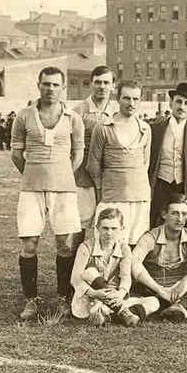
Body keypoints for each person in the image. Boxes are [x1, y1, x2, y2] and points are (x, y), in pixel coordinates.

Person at [9, 66, 86, 322]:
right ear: (38, 85)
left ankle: (63, 298)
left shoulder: (73, 118)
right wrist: (33, 173)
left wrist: (61, 175)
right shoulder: (24, 116)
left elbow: (78, 154)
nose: (50, 89)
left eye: (55, 85)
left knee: (65, 243)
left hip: (64, 189)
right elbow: (16, 154)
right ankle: (31, 301)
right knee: (29, 243)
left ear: (63, 87)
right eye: (46, 84)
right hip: (31, 188)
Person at [86, 79, 153, 244]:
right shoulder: (103, 128)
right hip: (113, 196)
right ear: (118, 98)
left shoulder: (145, 128)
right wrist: (101, 190)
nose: (131, 103)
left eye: (136, 99)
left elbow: (145, 163)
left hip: (139, 197)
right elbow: (93, 165)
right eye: (127, 98)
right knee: (110, 244)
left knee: (135, 243)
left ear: (141, 100)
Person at [129, 198, 187, 320]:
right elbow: (133, 261)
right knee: (134, 269)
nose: (180, 219)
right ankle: (184, 305)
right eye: (175, 213)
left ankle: (180, 305)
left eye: (184, 214)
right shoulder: (150, 237)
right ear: (164, 214)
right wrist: (161, 291)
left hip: (181, 290)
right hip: (154, 289)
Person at [69, 205, 141, 326]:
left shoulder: (124, 248)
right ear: (97, 228)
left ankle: (106, 316)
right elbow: (75, 279)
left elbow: (126, 277)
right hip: (90, 298)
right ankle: (121, 313)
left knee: (154, 302)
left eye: (114, 228)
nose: (109, 233)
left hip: (114, 298)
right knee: (90, 272)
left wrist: (120, 294)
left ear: (122, 229)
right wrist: (94, 293)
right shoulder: (86, 247)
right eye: (105, 228)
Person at [71, 65, 119, 245]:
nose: (102, 86)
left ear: (113, 86)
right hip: (83, 179)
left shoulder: (116, 112)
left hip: (109, 179)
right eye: (98, 82)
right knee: (79, 227)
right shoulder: (78, 111)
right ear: (91, 84)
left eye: (106, 82)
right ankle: (74, 262)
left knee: (108, 225)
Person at [148, 83, 187, 229]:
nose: (181, 107)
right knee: (156, 226)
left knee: (182, 228)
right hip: (160, 185)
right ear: (171, 103)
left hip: (183, 187)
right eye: (178, 101)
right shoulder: (154, 130)